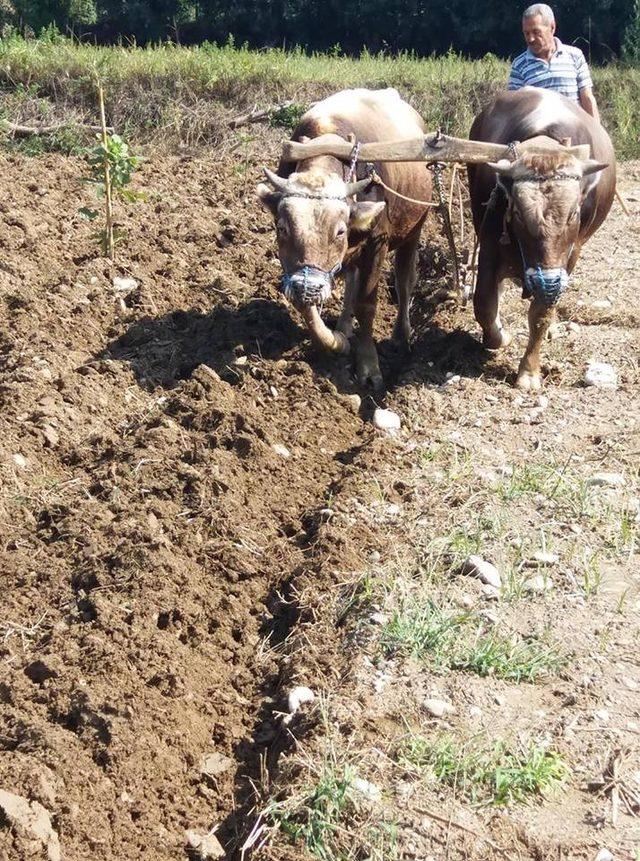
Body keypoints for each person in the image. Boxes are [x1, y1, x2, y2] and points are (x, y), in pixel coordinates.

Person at [508, 3, 600, 123]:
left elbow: (587, 97)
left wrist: (597, 134)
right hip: (538, 135)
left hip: (576, 130)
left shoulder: (575, 56)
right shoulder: (519, 65)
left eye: (536, 32)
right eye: (526, 33)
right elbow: (514, 109)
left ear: (552, 27)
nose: (530, 39)